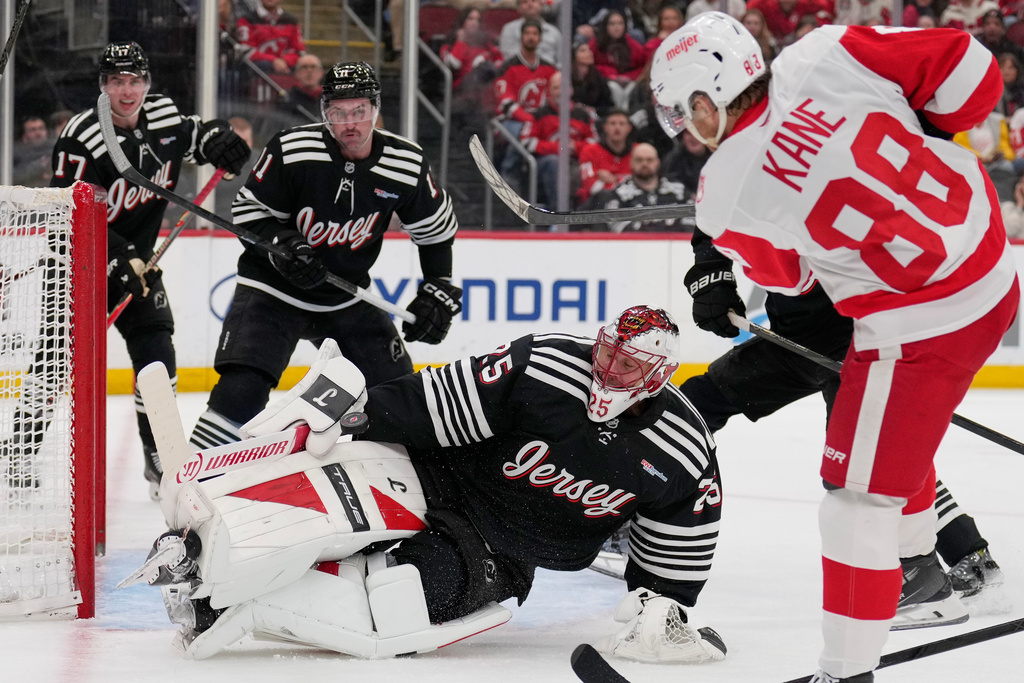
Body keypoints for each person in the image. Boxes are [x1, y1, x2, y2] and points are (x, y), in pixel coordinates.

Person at [651, 13, 1019, 682]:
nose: (685, 132)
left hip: (922, 323)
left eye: (684, 114)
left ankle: (846, 672)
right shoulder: (824, 50)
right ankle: (925, 566)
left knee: (853, 497)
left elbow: (793, 277)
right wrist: (919, 129)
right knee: (878, 438)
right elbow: (974, 72)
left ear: (706, 98)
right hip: (988, 252)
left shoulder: (723, 191)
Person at [141, 306, 730, 665]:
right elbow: (439, 401)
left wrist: (663, 603)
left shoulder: (683, 447)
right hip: (437, 475)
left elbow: (678, 548)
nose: (606, 369)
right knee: (330, 487)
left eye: (626, 364)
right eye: (606, 351)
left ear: (657, 375)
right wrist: (356, 414)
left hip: (507, 549)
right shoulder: (548, 364)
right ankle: (207, 534)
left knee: (395, 600)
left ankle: (231, 608)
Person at [188, 62, 461, 454]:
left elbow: (435, 230)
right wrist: (286, 246)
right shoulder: (293, 149)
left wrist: (438, 286)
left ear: (376, 108)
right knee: (243, 386)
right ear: (324, 113)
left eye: (360, 111)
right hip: (272, 288)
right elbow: (248, 212)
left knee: (398, 396)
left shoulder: (407, 164)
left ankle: (401, 476)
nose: (350, 123)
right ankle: (199, 475)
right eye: (338, 112)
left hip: (345, 295)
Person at [42, 42, 251, 497]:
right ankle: (19, 454)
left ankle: (157, 458)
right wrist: (117, 256)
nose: (126, 90)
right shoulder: (81, 136)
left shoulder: (166, 119)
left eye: (135, 80)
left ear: (148, 83)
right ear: (102, 86)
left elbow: (198, 137)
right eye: (116, 81)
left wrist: (221, 138)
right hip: (74, 263)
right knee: (51, 368)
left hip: (138, 266)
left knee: (158, 354)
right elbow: (67, 217)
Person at [494, 18, 558, 199]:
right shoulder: (507, 66)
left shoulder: (549, 68)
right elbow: (505, 103)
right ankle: (508, 173)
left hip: (540, 119)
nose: (531, 37)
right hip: (511, 121)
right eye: (527, 33)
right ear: (521, 37)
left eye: (535, 34)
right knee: (520, 129)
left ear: (540, 38)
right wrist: (528, 119)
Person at [519, 72, 598, 208]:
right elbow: (526, 142)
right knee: (554, 163)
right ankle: (559, 215)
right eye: (556, 88)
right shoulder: (539, 114)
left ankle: (580, 218)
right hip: (545, 164)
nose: (560, 92)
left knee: (585, 169)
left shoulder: (584, 115)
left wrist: (576, 147)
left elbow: (594, 142)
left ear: (571, 90)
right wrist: (559, 148)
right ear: (549, 91)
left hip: (575, 160)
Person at [579, 142, 690, 232]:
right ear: (631, 163)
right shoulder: (618, 194)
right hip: (634, 253)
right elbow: (620, 229)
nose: (644, 164)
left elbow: (692, 220)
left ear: (658, 163)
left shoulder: (678, 190)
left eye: (649, 160)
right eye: (639, 160)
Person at [589, 10, 648, 110]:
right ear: (605, 26)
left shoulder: (632, 44)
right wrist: (611, 75)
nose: (616, 27)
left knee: (632, 88)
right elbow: (590, 65)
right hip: (604, 82)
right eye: (612, 24)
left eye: (620, 23)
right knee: (613, 88)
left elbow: (643, 66)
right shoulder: (595, 43)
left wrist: (628, 77)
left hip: (629, 81)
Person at [577, 109, 634, 203]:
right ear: (605, 127)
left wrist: (614, 180)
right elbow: (591, 187)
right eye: (612, 123)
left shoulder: (638, 151)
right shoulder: (589, 150)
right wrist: (625, 181)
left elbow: (646, 184)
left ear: (629, 128)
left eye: (622, 124)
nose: (617, 128)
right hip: (596, 207)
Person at [236, 0, 306, 75]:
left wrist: (285, 61)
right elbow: (246, 50)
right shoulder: (247, 20)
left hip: (288, 71)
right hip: (256, 74)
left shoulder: (292, 20)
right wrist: (274, 61)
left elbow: (299, 51)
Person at [499, 0, 563, 65]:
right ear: (518, 7)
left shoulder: (554, 32)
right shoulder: (509, 29)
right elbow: (507, 58)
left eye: (534, 1)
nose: (530, 4)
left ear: (541, 5)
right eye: (524, 2)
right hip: (518, 71)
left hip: (550, 73)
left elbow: (561, 62)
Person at [12, 115, 53, 187]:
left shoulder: (54, 148)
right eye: (33, 130)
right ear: (24, 136)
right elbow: (10, 178)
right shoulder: (15, 153)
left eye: (41, 128)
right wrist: (40, 165)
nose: (38, 133)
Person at [284, 53, 324, 124]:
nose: (309, 71)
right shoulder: (287, 99)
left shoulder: (329, 98)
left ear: (321, 73)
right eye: (304, 67)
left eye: (313, 67)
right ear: (296, 73)